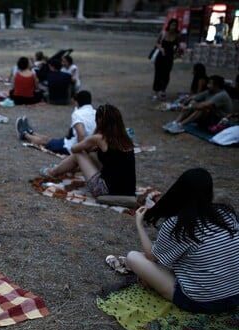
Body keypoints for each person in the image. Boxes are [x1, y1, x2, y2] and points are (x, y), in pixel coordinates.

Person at [125, 168, 239, 314]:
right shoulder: (226, 213)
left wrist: (139, 224)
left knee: (133, 257)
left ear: (179, 191)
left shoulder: (179, 225)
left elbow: (152, 257)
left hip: (204, 302)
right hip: (236, 296)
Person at [38, 104, 136, 197]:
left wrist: (96, 132)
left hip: (107, 191)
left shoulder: (100, 137)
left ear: (100, 121)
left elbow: (74, 149)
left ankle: (53, 172)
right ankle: (66, 170)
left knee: (79, 154)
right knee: (92, 154)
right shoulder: (125, 139)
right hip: (128, 190)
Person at [16, 90, 96, 155]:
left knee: (45, 142)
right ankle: (31, 132)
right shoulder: (95, 112)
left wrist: (80, 150)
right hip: (82, 144)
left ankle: (24, 134)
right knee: (49, 139)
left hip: (71, 147)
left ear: (77, 102)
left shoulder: (78, 113)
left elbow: (81, 133)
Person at [163, 75, 233, 134]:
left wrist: (188, 108)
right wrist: (183, 104)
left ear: (216, 86)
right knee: (193, 102)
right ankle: (175, 122)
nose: (208, 85)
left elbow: (205, 105)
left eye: (210, 84)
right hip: (209, 118)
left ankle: (181, 125)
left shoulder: (222, 95)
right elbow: (194, 98)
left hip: (218, 121)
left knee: (202, 108)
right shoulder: (209, 91)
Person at [152, 18, 181, 101]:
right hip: (161, 55)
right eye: (172, 25)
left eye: (175, 25)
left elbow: (178, 46)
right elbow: (157, 43)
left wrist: (176, 54)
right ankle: (156, 91)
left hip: (169, 56)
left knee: (166, 74)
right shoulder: (163, 33)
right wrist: (161, 48)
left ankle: (163, 90)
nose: (173, 27)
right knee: (158, 73)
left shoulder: (177, 35)